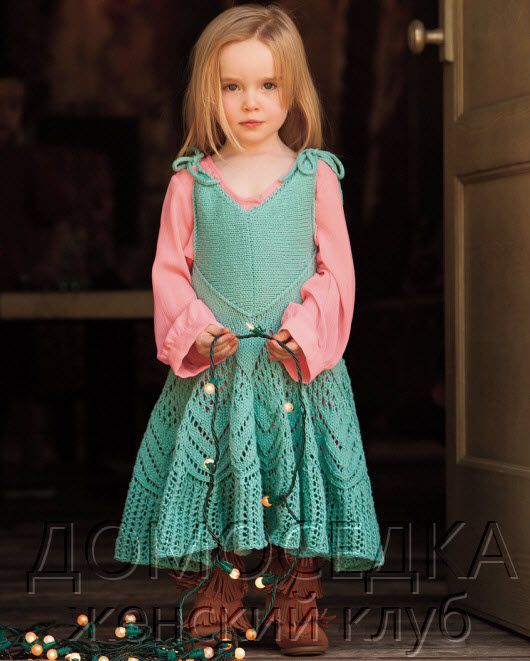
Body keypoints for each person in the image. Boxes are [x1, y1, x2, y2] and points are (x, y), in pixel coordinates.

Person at [114, 3, 385, 656]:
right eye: (232, 86)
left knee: (297, 482)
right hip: (218, 373)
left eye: (267, 84)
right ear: (209, 92)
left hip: (296, 372)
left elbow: (337, 272)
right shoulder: (192, 184)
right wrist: (196, 331)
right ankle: (220, 592)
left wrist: (307, 331)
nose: (250, 102)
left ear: (292, 89)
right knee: (222, 480)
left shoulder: (315, 177)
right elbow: (169, 274)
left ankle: (298, 596)